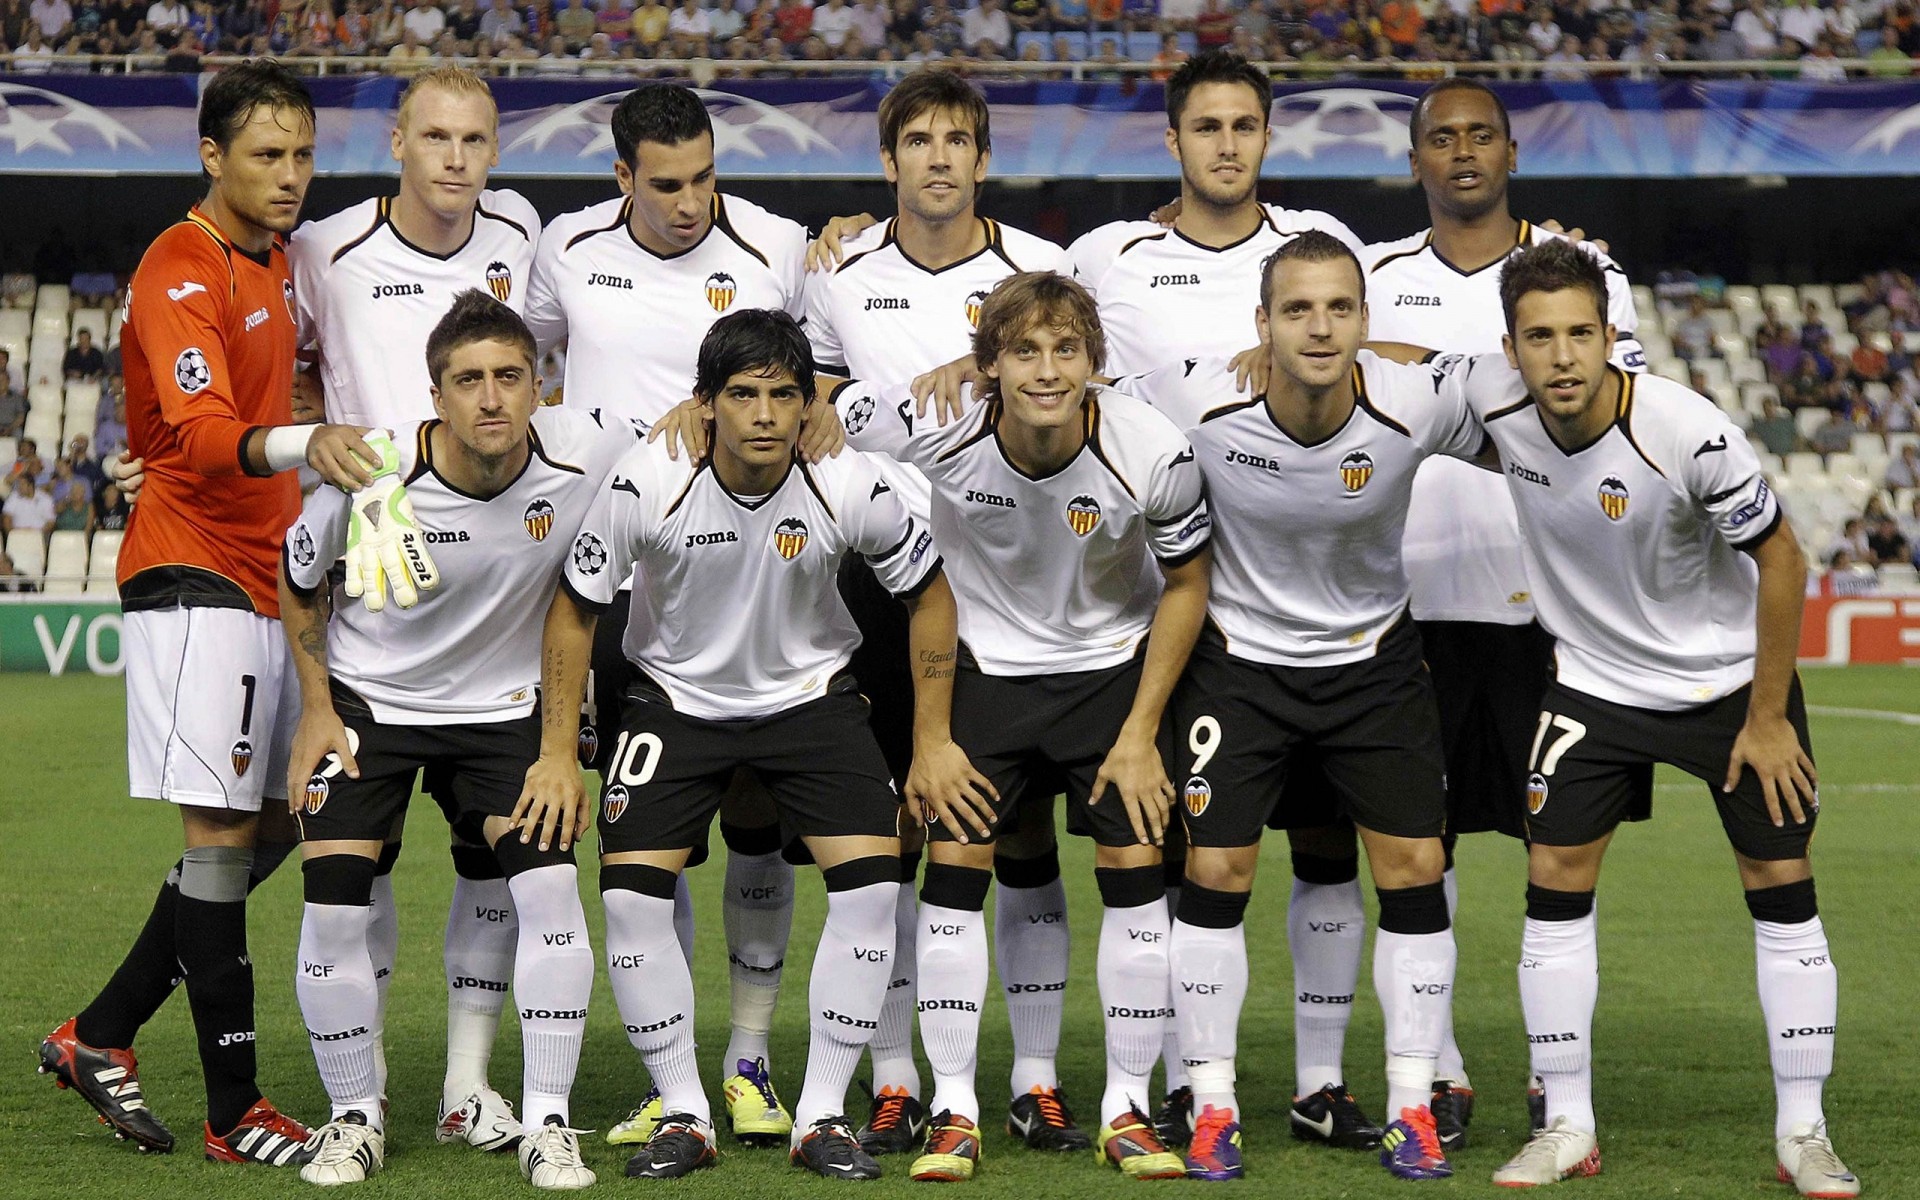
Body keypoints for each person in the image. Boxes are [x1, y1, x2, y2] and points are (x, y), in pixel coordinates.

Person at [1440, 240, 1855, 1198]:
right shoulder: (1496, 405)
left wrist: (1765, 719)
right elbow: (1403, 370)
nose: (1563, 356)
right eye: (1539, 337)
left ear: (1612, 335)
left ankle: (1806, 1133)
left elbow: (1783, 560)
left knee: (1780, 883)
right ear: (1512, 348)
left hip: (1726, 692)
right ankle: (1569, 1124)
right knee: (1554, 881)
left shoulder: (1686, 432)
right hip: (1594, 686)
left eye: (1581, 332)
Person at [36, 59, 389, 1168]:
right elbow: (191, 435)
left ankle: (96, 1036)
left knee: (284, 821)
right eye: (266, 156)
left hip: (269, 579)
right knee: (223, 840)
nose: (291, 176)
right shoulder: (178, 269)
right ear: (211, 157)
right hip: (193, 578)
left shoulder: (280, 257)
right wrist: (304, 442)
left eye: (302, 154)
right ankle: (233, 1108)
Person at [730, 67, 1086, 1162]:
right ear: (888, 162)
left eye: (957, 140)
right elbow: (813, 405)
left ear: (983, 158)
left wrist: (986, 368)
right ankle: (893, 1081)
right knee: (883, 835)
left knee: (1015, 830)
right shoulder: (838, 275)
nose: (938, 157)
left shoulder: (1041, 274)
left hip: (1015, 588)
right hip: (877, 588)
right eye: (918, 140)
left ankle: (1033, 1078)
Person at [527, 309, 953, 1181]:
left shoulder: (850, 482)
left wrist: (934, 740)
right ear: (707, 404)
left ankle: (824, 1114)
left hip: (810, 700)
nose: (764, 415)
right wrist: (557, 751)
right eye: (744, 395)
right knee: (635, 903)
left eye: (784, 396)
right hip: (676, 700)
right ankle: (684, 1108)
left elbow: (931, 595)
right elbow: (575, 609)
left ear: (807, 407)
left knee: (873, 893)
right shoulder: (651, 479)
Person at [832, 272, 1213, 1183]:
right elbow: (817, 407)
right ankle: (956, 1108)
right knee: (955, 883)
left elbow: (1190, 585)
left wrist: (1140, 730)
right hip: (986, 677)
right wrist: (932, 738)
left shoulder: (1151, 451)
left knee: (1134, 882)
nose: (1047, 371)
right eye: (1025, 352)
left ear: (1095, 364)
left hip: (1110, 681)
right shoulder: (938, 427)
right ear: (989, 365)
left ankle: (1127, 1105)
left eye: (1067, 351)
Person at [1115, 233, 1469, 1183]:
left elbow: (1542, 395)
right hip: (1241, 663)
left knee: (1414, 865)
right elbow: (1072, 398)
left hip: (1374, 663)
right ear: (1261, 323)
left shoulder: (1415, 401)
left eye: (1340, 309)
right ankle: (1214, 1102)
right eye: (1299, 309)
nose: (1321, 327)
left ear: (1366, 321)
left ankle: (1410, 1106)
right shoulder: (1195, 394)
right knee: (1220, 866)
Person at [1064, 49, 1363, 1147]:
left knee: (1329, 843)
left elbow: (1400, 353)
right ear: (1173, 141)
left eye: (1245, 125)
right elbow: (1020, 323)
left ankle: (1321, 1079)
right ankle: (1192, 1077)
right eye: (1207, 127)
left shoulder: (1315, 251)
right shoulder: (1109, 254)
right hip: (1160, 594)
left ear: (1266, 138)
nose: (1227, 144)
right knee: (1187, 847)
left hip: (1306, 599)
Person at [1352, 76, 1645, 1148]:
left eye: (1481, 136)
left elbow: (1621, 413)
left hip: (1553, 615)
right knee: (1416, 853)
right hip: (1409, 610)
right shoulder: (1373, 278)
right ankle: (1439, 1069)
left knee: (1555, 852)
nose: (1462, 152)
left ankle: (1549, 1071)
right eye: (1442, 138)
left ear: (1512, 152)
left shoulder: (1585, 273)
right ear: (1416, 159)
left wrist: (1428, 370)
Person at [524, 81, 817, 1149]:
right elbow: (510, 357)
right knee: (652, 835)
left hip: (747, 585)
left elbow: (815, 375)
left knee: (752, 820)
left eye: (704, 178)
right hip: (609, 584)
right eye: (665, 185)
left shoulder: (782, 246)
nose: (690, 203)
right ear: (621, 178)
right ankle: (674, 1070)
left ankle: (746, 1059)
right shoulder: (564, 249)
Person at [279, 292, 626, 1189]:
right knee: (334, 901)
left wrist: (558, 749)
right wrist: (315, 707)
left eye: (509, 377)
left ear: (539, 386)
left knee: (547, 894)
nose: (490, 399)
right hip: (373, 703)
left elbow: (694, 426)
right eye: (467, 381)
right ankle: (355, 1116)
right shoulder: (374, 473)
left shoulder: (581, 454)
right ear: (436, 397)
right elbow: (298, 577)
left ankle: (541, 1118)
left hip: (502, 711)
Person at [286, 64, 544, 1154]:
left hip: (495, 589)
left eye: (474, 140)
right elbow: (283, 370)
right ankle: (366, 1090)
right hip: (368, 581)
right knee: (358, 862)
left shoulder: (525, 230)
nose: (454, 159)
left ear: (494, 150)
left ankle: (470, 1086)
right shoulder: (324, 249)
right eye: (434, 137)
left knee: (495, 860)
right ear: (397, 139)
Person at [2, 471, 55, 537]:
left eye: (22, 484)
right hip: (17, 535)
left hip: (39, 536)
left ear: (30, 486)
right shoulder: (13, 497)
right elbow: (7, 519)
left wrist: (37, 535)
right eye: (18, 484)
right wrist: (12, 536)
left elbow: (51, 522)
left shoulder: (45, 499)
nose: (19, 487)